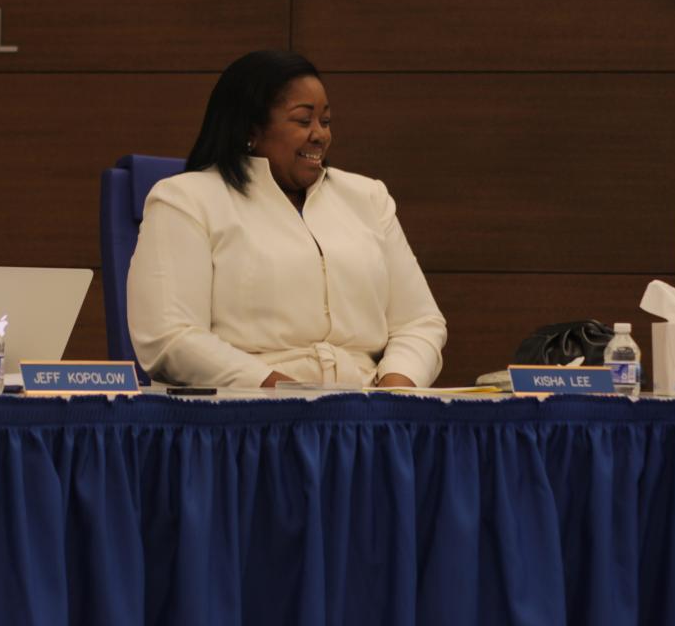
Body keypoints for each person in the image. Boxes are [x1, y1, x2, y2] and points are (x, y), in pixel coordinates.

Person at [127, 50, 447, 388]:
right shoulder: (185, 200)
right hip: (248, 416)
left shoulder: (368, 197)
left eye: (325, 121)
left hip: (368, 412)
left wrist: (396, 391)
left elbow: (419, 321)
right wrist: (287, 394)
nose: (320, 135)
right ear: (250, 128)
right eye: (302, 120)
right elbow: (171, 336)